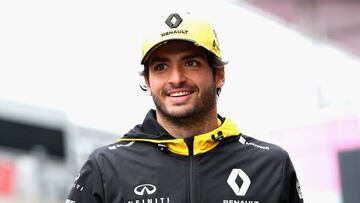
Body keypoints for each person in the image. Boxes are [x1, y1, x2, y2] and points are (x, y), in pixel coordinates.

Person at [66, 12, 304, 203]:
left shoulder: (271, 165)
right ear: (148, 82)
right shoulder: (106, 168)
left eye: (191, 63)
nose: (176, 78)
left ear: (218, 74)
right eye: (161, 67)